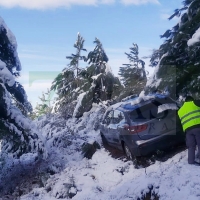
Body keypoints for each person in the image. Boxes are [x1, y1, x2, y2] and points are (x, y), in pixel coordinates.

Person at [178, 95, 200, 165]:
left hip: (188, 130)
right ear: (191, 100)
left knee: (191, 146)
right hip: (197, 127)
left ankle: (191, 161)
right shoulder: (194, 103)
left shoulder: (180, 111)